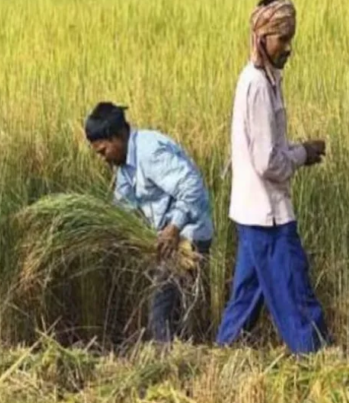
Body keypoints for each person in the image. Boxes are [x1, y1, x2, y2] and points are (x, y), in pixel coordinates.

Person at [215, 0, 330, 354]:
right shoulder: (257, 86)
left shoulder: (266, 79)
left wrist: (297, 151)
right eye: (282, 38)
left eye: (290, 38)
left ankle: (222, 356)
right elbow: (266, 162)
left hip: (255, 212)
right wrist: (302, 154)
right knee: (294, 290)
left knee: (248, 295)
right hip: (268, 215)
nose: (288, 47)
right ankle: (317, 361)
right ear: (261, 37)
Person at [84, 102, 214, 344]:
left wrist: (174, 228)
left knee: (160, 311)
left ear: (117, 137)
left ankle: (171, 360)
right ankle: (182, 354)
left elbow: (192, 187)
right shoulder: (124, 165)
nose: (103, 158)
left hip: (187, 237)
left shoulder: (150, 152)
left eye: (103, 151)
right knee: (170, 309)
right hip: (168, 241)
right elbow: (123, 206)